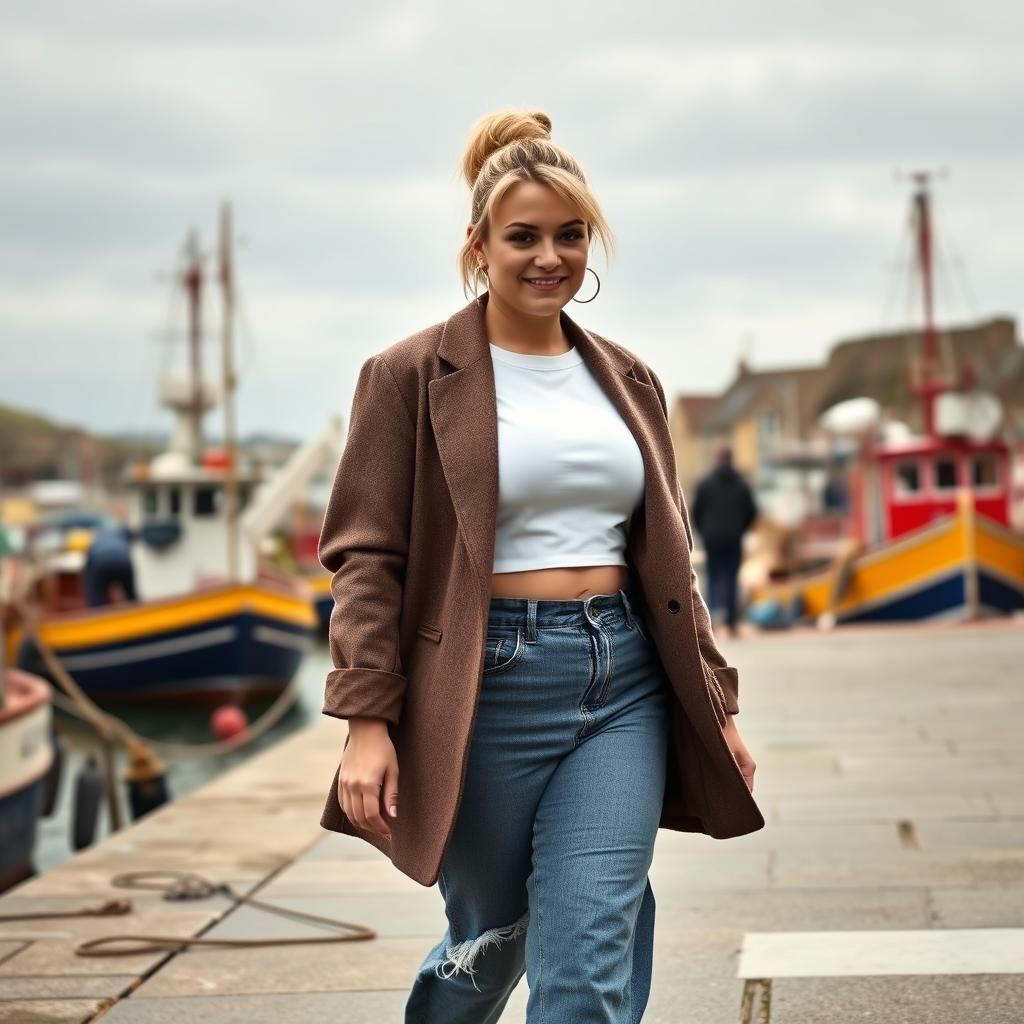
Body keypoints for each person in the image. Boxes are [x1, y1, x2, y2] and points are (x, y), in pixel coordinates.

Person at [318, 108, 761, 1024]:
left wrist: (716, 705)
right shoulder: (405, 374)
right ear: (478, 245)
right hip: (483, 687)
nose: (549, 257)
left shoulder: (629, 379)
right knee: (491, 938)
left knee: (587, 953)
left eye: (570, 236)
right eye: (523, 236)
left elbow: (670, 556)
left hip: (624, 680)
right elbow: (366, 557)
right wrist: (367, 718)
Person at [691, 446, 758, 637]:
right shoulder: (742, 484)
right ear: (732, 459)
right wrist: (740, 529)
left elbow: (695, 511)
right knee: (731, 578)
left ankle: (710, 620)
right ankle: (731, 622)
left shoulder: (705, 484)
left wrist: (705, 531)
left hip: (712, 538)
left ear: (717, 459)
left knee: (712, 577)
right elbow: (752, 512)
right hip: (734, 538)